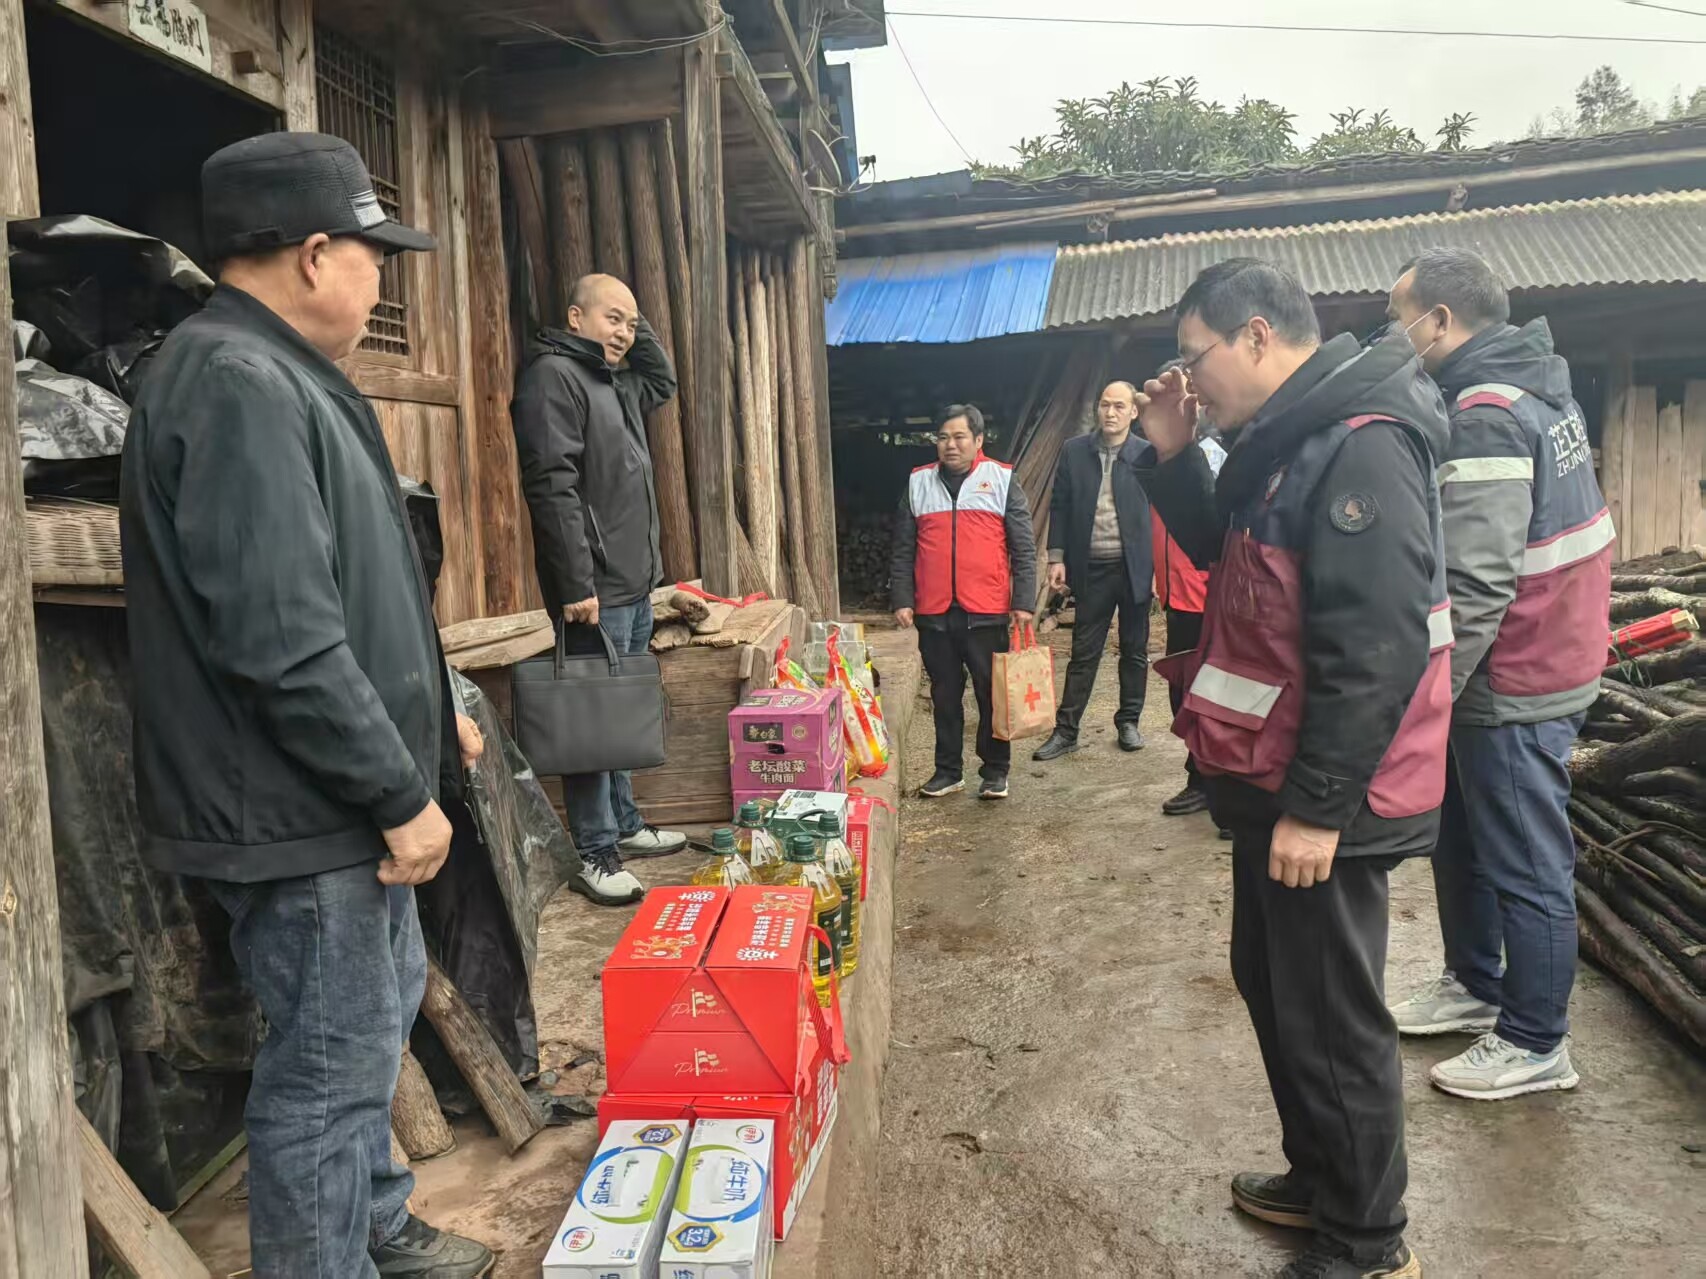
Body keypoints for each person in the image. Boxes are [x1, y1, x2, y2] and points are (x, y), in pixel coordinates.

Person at [120, 133, 493, 1278]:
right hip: (299, 807)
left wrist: (435, 726)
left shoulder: (275, 370)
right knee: (326, 1076)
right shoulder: (235, 380)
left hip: (331, 797)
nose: (383, 277)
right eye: (374, 253)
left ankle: (376, 1222)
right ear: (315, 252)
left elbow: (352, 592)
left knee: (368, 1020)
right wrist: (394, 788)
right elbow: (280, 637)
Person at [1138, 258, 1450, 1279]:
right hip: (1265, 787)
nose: (1189, 381)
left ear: (1258, 335)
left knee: (1327, 1014)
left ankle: (1366, 1243)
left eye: (1196, 359)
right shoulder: (1283, 444)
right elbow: (1225, 553)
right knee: (1273, 987)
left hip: (1322, 800)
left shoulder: (1360, 446)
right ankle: (1322, 1182)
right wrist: (1175, 456)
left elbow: (1375, 645)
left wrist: (1317, 809)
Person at [1385, 248, 1611, 1099]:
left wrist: (1429, 696)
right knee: (1464, 839)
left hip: (1514, 673)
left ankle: (1534, 1036)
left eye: (1397, 315)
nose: (1392, 332)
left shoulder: (1483, 409)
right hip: (1542, 650)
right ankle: (1476, 984)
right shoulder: (1539, 385)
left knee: (1522, 857)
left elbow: (1479, 581)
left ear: (1439, 321)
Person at [511, 273, 689, 906]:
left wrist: (636, 329)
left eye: (630, 324)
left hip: (633, 581)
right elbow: (551, 486)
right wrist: (573, 582)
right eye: (611, 319)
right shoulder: (552, 377)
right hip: (595, 586)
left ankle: (627, 825)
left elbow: (663, 381)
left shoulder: (614, 380)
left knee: (615, 714)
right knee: (592, 716)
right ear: (574, 316)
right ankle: (594, 851)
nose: (623, 333)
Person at [890, 404, 1038, 799]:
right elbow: (903, 549)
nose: (950, 445)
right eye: (942, 437)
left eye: (958, 437)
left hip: (986, 608)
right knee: (944, 693)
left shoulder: (1002, 479)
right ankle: (947, 771)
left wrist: (1024, 601)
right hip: (934, 611)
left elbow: (1023, 546)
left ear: (978, 440)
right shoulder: (918, 483)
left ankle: (995, 770)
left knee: (992, 694)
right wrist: (903, 598)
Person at [1032, 381, 1156, 761]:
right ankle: (1066, 730)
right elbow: (1062, 506)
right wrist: (1056, 556)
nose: (1111, 412)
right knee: (1085, 653)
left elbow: (1163, 512)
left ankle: (1128, 721)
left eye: (1119, 406)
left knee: (1134, 650)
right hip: (1093, 568)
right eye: (1105, 405)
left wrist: (1160, 571)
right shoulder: (1074, 451)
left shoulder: (1148, 454)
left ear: (1134, 412)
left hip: (1136, 566)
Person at [1150, 359, 1228, 819]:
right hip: (1176, 595)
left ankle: (1219, 783)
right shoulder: (1159, 455)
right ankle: (1200, 775)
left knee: (1217, 695)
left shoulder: (1218, 454)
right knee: (1183, 695)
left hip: (1210, 595)